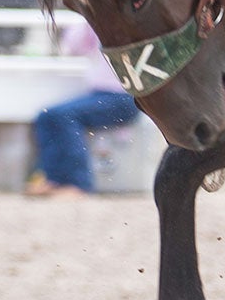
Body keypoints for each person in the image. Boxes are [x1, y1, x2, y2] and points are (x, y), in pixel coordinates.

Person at [25, 19, 140, 198]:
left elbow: (72, 47)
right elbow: (73, 47)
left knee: (65, 116)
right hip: (104, 94)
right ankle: (54, 179)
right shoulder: (99, 21)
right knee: (46, 116)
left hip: (124, 96)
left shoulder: (124, 22)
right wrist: (86, 18)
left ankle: (78, 184)